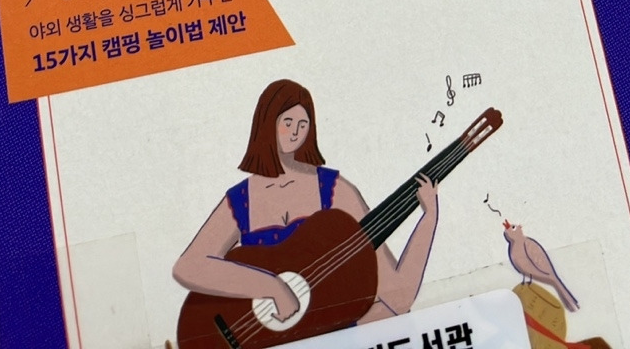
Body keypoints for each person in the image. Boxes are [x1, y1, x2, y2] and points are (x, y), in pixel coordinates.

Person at [173, 78, 439, 325]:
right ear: (266, 123)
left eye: (303, 124)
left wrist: (429, 219)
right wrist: (272, 287)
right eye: (287, 122)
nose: (295, 133)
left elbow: (398, 297)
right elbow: (188, 267)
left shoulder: (334, 190)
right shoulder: (243, 198)